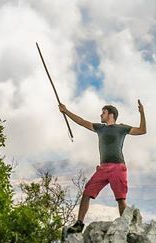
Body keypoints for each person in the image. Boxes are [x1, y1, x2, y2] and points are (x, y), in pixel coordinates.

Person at [58, 100, 146, 233]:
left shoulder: (122, 128)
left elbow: (142, 130)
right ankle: (79, 224)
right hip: (103, 168)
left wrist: (142, 113)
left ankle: (126, 228)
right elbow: (82, 122)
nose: (101, 115)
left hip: (118, 167)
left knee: (121, 199)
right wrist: (66, 111)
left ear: (111, 115)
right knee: (87, 193)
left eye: (103, 113)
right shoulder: (100, 128)